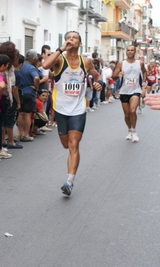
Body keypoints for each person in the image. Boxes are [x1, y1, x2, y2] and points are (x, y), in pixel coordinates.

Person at [42, 31, 103, 196]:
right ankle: (70, 175)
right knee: (65, 144)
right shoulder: (60, 59)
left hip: (78, 109)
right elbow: (46, 65)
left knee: (74, 144)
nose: (70, 40)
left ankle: (69, 181)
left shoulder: (86, 61)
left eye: (74, 38)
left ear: (80, 43)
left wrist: (99, 84)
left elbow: (97, 77)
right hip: (61, 109)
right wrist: (60, 49)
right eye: (68, 38)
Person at [112, 45, 147, 143]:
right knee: (126, 114)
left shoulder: (139, 63)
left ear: (135, 52)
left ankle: (134, 131)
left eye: (132, 50)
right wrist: (117, 75)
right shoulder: (121, 63)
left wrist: (144, 82)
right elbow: (113, 76)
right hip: (124, 91)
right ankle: (129, 130)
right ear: (126, 52)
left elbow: (144, 72)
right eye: (128, 50)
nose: (130, 52)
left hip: (135, 91)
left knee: (132, 111)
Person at [17, 49, 40, 142]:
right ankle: (26, 134)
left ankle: (20, 133)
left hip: (18, 92)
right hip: (28, 92)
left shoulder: (19, 65)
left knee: (20, 113)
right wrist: (36, 87)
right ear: (34, 59)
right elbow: (36, 77)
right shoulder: (31, 68)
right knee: (27, 114)